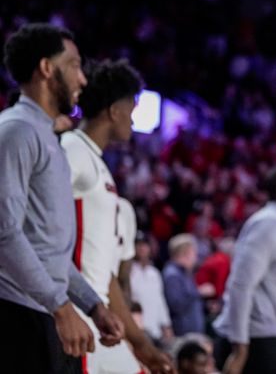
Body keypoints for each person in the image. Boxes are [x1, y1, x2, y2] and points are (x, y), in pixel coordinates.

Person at [0, 24, 124, 372]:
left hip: (42, 311)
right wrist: (61, 306)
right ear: (46, 69)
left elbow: (47, 250)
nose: (82, 79)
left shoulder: (44, 136)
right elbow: (5, 232)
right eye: (74, 65)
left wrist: (92, 305)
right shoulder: (17, 131)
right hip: (17, 315)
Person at [62, 58, 174, 373]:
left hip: (101, 317)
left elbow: (106, 274)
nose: (134, 121)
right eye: (132, 110)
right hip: (75, 315)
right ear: (114, 111)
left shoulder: (100, 167)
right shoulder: (72, 148)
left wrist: (141, 344)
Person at [213, 167, 276, 374]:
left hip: (265, 338)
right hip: (254, 340)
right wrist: (240, 348)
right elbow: (240, 284)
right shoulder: (269, 223)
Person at [131, 232, 175, 346]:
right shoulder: (128, 273)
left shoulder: (154, 273)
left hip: (155, 329)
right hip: (137, 328)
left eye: (144, 245)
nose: (141, 248)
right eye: (138, 245)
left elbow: (160, 300)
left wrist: (166, 324)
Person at [164, 234, 206, 336]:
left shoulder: (186, 274)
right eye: (193, 253)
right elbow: (176, 304)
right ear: (184, 253)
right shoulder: (172, 275)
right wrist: (199, 292)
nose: (195, 257)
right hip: (184, 332)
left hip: (193, 332)